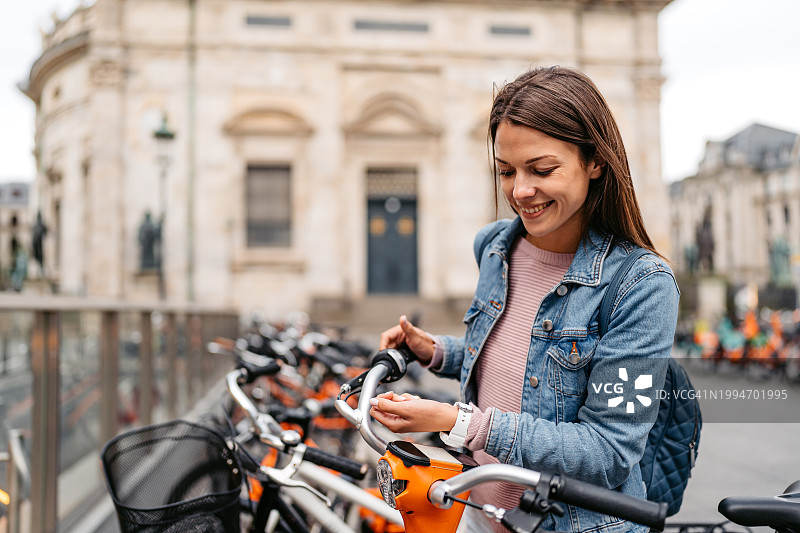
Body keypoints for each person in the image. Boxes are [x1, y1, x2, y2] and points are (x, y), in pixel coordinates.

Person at [369, 66, 679, 533]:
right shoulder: (495, 247)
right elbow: (521, 360)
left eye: (542, 169)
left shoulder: (642, 285)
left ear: (594, 162)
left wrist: (461, 423)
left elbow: (609, 451)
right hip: (478, 512)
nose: (520, 191)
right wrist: (437, 351)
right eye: (506, 171)